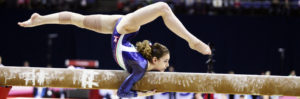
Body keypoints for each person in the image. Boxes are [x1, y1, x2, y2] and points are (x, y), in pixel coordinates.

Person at [18, 2, 211, 98]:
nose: (168, 65)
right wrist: (146, 94)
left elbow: (123, 92)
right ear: (154, 60)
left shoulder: (142, 64)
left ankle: (41, 19)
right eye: (166, 61)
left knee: (78, 20)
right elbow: (122, 93)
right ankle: (192, 41)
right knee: (163, 7)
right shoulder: (141, 66)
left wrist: (145, 94)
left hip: (120, 31)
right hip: (124, 30)